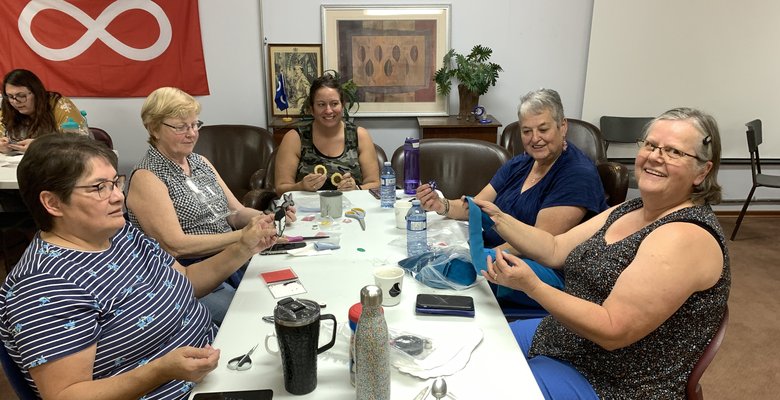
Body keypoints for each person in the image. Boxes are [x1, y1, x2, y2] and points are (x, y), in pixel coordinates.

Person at [475, 107, 730, 398]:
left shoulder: (685, 236)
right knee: (475, 346)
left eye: (674, 152)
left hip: (612, 380)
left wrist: (531, 286)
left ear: (702, 171)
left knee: (487, 385)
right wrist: (498, 217)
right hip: (567, 338)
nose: (655, 156)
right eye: (650, 145)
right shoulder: (631, 208)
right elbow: (556, 248)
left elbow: (612, 330)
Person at [0, 134, 277, 399]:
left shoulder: (120, 234)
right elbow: (67, 394)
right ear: (52, 203)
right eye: (99, 188)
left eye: (114, 182)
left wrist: (244, 247)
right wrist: (160, 370)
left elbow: (187, 280)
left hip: (217, 365)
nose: (118, 196)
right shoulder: (43, 286)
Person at [416, 88, 607, 307]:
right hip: (498, 259)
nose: (535, 139)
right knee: (428, 265)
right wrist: (441, 204)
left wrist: (477, 255)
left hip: (543, 275)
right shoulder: (521, 163)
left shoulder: (577, 175)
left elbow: (539, 244)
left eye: (543, 129)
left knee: (446, 277)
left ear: (562, 126)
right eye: (527, 131)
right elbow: (477, 206)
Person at [125, 87, 294, 325]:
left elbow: (235, 212)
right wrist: (242, 238)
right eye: (181, 127)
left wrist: (266, 218)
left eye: (195, 125)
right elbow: (176, 246)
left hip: (232, 257)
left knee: (286, 298)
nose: (192, 134)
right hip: (190, 274)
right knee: (250, 320)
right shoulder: (147, 176)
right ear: (154, 128)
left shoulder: (199, 161)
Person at [274, 72, 380, 193]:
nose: (328, 110)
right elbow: (280, 188)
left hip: (351, 209)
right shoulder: (295, 138)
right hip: (304, 210)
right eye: (321, 105)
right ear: (311, 109)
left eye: (334, 104)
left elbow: (375, 184)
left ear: (342, 106)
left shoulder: (360, 135)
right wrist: (300, 186)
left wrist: (356, 188)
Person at [0, 69, 87, 154]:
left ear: (36, 92)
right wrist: (3, 146)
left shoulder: (60, 105)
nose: (15, 102)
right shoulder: (7, 106)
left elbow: (80, 144)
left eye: (21, 95)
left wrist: (41, 146)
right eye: (10, 96)